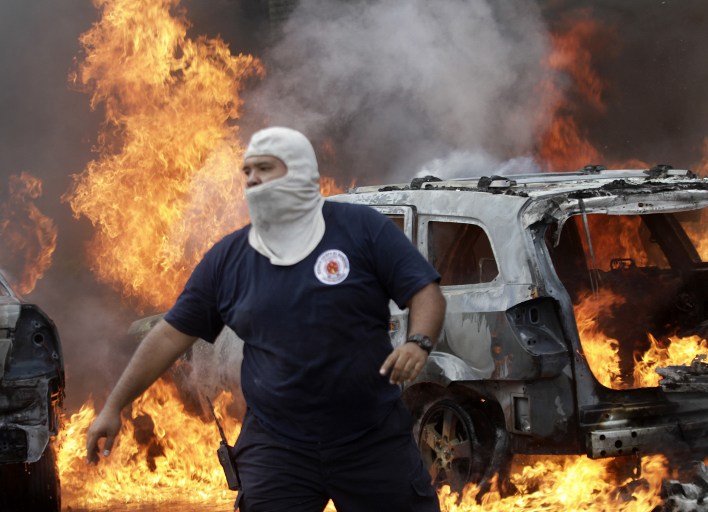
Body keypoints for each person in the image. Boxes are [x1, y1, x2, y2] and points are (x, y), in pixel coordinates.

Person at [86, 126, 446, 512]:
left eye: (265, 168)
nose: (252, 178)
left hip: (370, 436)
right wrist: (114, 406)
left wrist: (419, 341)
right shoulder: (229, 259)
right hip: (279, 446)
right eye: (247, 170)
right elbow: (170, 336)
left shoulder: (362, 230)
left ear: (301, 172)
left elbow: (425, 291)